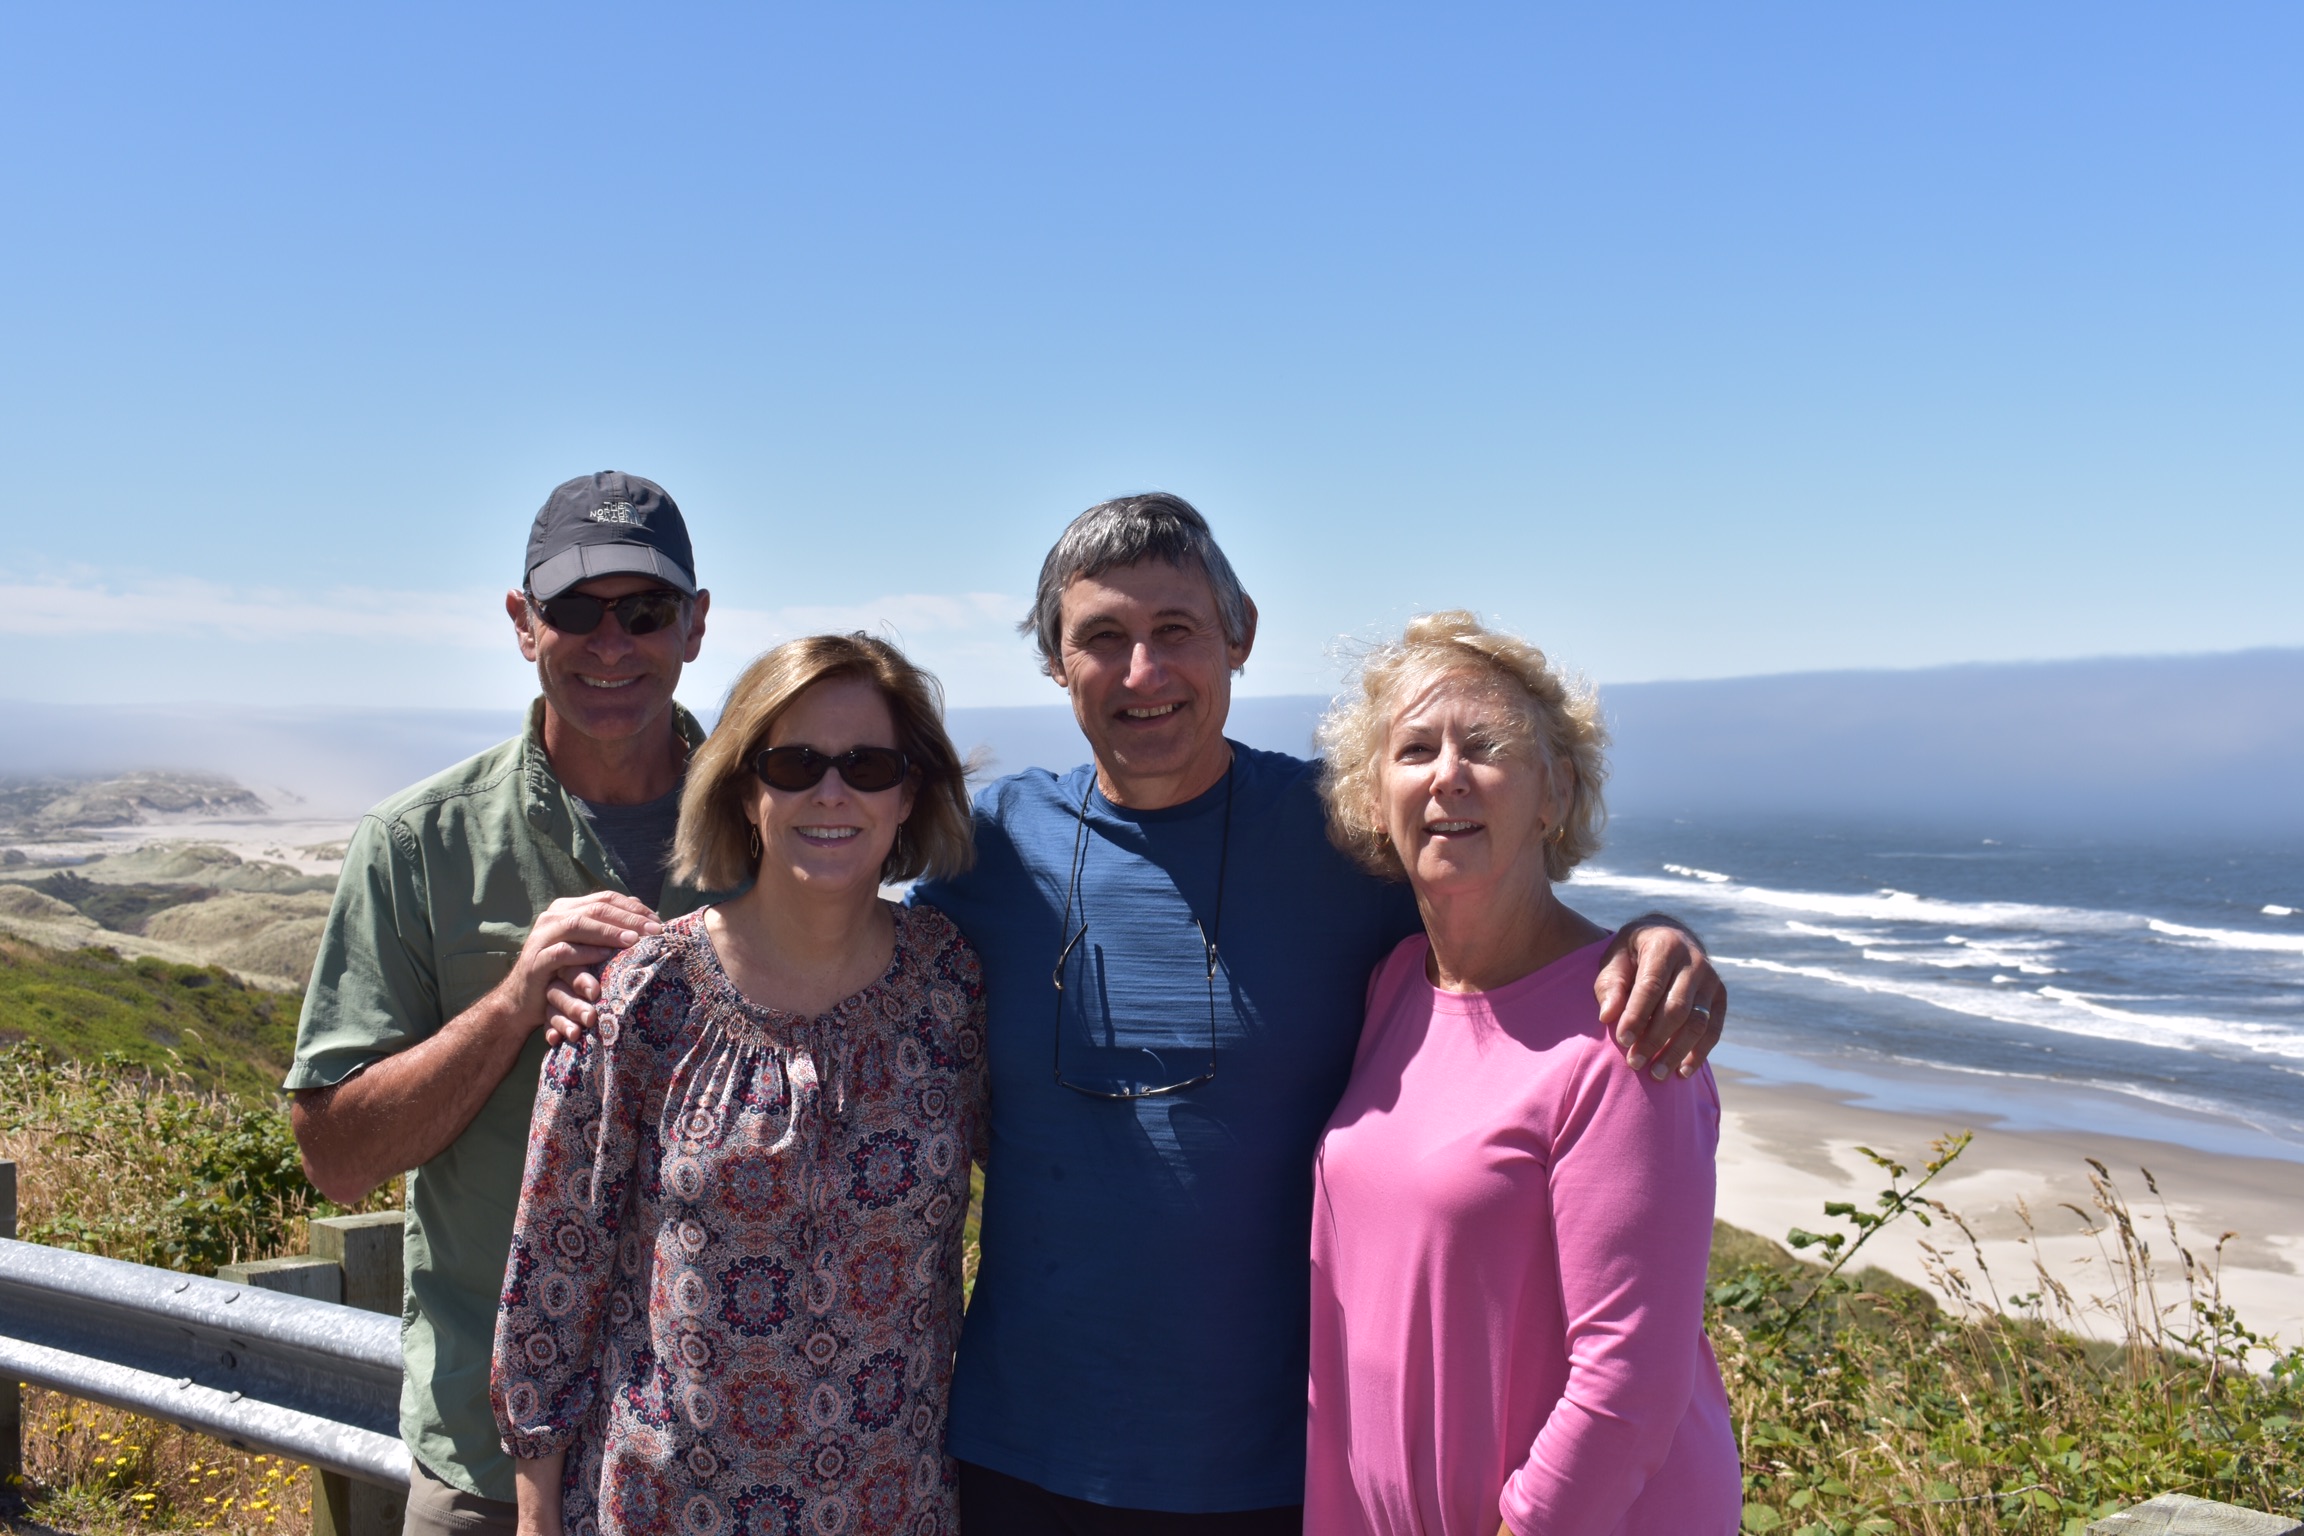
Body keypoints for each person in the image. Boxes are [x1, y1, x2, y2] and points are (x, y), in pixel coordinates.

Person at [907, 494, 1730, 1531]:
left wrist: (1654, 940)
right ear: (1054, 661)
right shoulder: (990, 848)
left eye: (1176, 630)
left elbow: (1499, 920)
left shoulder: (1341, 843)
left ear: (1240, 634)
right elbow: (839, 952)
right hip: (1023, 1452)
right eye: (1102, 638)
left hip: (1281, 1471)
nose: (1143, 672)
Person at [285, 471, 713, 1535]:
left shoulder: (783, 824)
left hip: (732, 1449)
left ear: (695, 626)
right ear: (524, 624)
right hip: (489, 1457)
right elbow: (337, 1156)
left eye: (644, 610)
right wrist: (512, 1003)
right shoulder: (417, 845)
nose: (610, 642)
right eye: (574, 608)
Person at [491, 633, 984, 1536]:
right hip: (670, 1505)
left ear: (908, 795)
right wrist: (535, 1514)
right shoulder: (645, 998)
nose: (830, 792)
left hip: (892, 1504)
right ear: (745, 791)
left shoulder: (948, 983)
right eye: (794, 764)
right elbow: (555, 1265)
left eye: (867, 766)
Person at [1303, 611, 1740, 1536]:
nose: (1448, 775)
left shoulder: (1627, 1033)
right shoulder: (1395, 985)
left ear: (1555, 792)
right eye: (1415, 749)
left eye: (1487, 746)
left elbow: (1628, 1389)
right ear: (1374, 798)